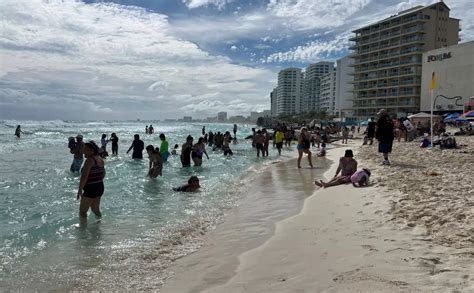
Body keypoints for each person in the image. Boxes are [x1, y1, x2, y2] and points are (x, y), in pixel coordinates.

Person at [77, 141, 105, 224]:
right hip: (99, 186)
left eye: (85, 149)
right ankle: (99, 223)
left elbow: (84, 176)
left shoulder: (90, 160)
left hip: (91, 189)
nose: (83, 151)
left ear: (92, 150)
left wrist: (80, 189)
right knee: (95, 209)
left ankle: (83, 230)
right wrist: (97, 182)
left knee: (82, 211)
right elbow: (103, 173)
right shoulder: (100, 159)